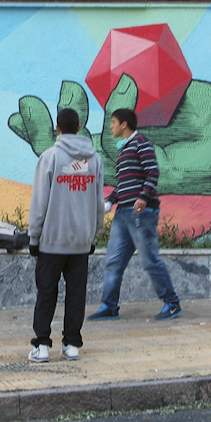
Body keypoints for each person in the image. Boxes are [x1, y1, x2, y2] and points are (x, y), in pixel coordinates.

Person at [88, 108, 183, 322]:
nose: (111, 126)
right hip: (123, 213)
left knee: (149, 260)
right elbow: (124, 184)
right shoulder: (123, 150)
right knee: (113, 261)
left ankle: (172, 303)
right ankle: (109, 306)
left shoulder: (141, 142)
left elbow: (153, 171)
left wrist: (143, 197)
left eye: (113, 122)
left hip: (141, 212)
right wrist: (111, 200)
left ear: (124, 124)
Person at [27, 109, 104, 363]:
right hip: (81, 242)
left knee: (46, 293)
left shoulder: (50, 158)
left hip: (52, 240)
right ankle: (71, 345)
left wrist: (34, 237)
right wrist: (93, 235)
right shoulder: (94, 160)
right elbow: (97, 201)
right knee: (76, 294)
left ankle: (42, 346)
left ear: (57, 128)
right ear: (80, 126)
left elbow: (40, 203)